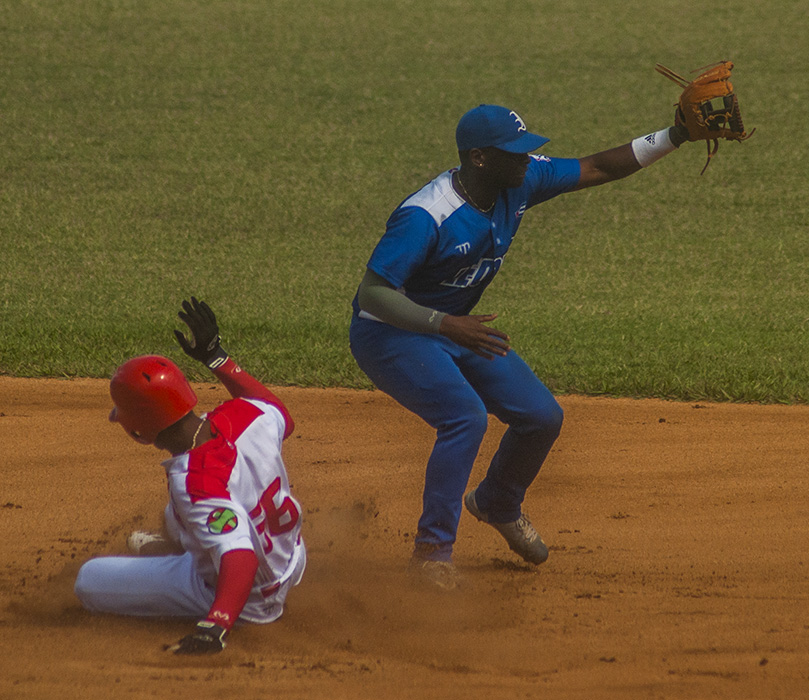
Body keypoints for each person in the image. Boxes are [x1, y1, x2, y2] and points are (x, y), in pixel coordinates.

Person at [349, 104, 691, 590]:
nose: (528, 161)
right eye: (516, 153)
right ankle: (431, 554)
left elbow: (597, 166)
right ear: (480, 159)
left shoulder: (519, 181)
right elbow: (374, 294)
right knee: (464, 417)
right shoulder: (427, 215)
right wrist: (444, 324)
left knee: (542, 417)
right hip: (391, 333)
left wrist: (675, 135)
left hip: (457, 328)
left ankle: (497, 502)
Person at [74, 298, 305, 655]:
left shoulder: (195, 483)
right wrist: (217, 357)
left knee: (88, 581)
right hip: (291, 560)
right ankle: (183, 550)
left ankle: (207, 588)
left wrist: (216, 625)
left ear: (139, 430)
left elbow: (240, 555)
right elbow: (280, 415)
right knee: (177, 519)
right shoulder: (245, 414)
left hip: (251, 597)